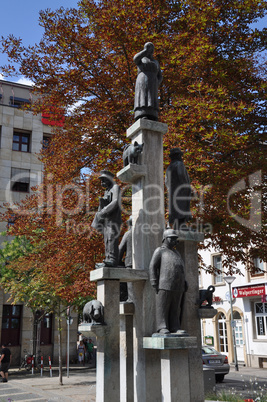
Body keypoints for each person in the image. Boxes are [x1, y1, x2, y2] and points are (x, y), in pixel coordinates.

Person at [149, 229, 187, 334]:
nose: (175, 241)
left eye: (176, 239)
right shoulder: (160, 251)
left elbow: (181, 267)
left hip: (178, 285)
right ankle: (162, 326)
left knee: (175, 307)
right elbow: (152, 266)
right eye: (173, 238)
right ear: (165, 238)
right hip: (164, 284)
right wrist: (153, 281)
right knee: (163, 306)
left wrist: (184, 281)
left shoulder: (176, 252)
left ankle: (175, 326)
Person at [92, 170, 122, 267]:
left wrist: (103, 211)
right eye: (101, 180)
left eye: (104, 179)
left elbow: (116, 201)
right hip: (106, 220)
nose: (102, 182)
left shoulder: (115, 187)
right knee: (106, 240)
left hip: (113, 219)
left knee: (111, 238)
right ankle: (108, 258)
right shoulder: (107, 190)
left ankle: (113, 260)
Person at [133, 42, 163, 121]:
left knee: (152, 99)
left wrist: (157, 83)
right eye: (149, 47)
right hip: (143, 80)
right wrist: (145, 51)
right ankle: (142, 114)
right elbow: (135, 59)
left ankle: (153, 115)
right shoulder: (142, 59)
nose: (151, 50)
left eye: (152, 48)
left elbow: (160, 75)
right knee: (143, 97)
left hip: (153, 83)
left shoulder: (156, 62)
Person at [165, 148, 192, 230]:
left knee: (175, 208)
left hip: (173, 192)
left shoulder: (169, 167)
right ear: (178, 156)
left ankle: (177, 225)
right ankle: (182, 225)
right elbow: (181, 175)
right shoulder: (179, 164)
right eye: (180, 155)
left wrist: (170, 190)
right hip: (181, 190)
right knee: (182, 207)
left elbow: (166, 181)